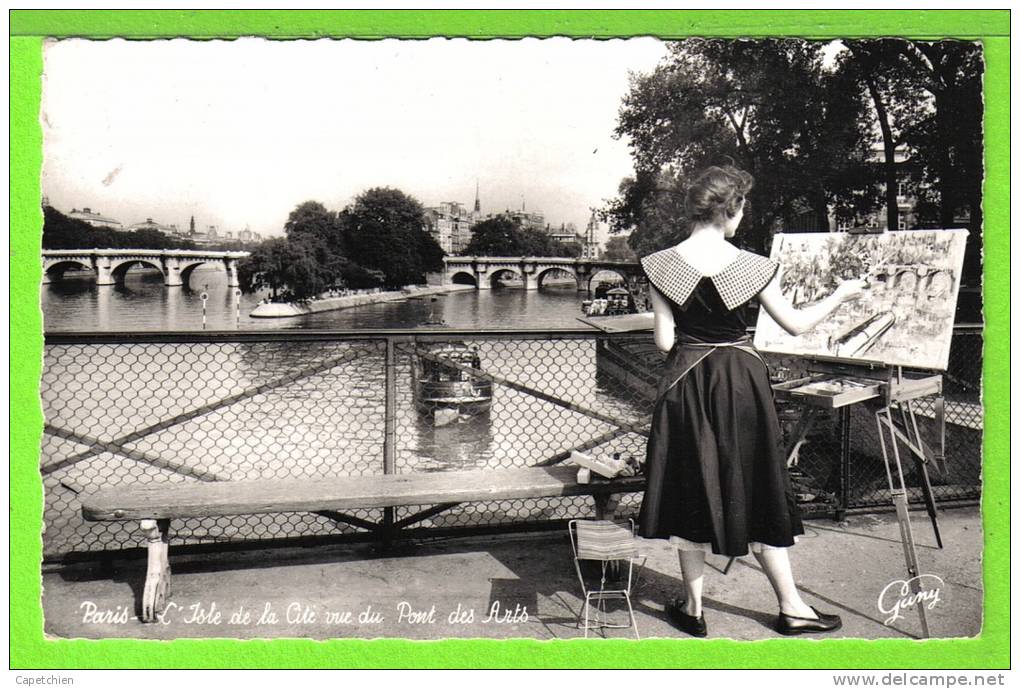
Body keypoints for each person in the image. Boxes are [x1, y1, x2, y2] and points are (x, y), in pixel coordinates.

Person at [638, 165, 865, 637]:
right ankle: (792, 607)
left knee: (690, 484)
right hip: (742, 383)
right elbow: (798, 326)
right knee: (758, 482)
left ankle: (694, 609)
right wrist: (842, 293)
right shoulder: (753, 266)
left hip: (687, 381)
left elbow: (664, 342)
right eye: (742, 208)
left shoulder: (659, 265)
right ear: (731, 210)